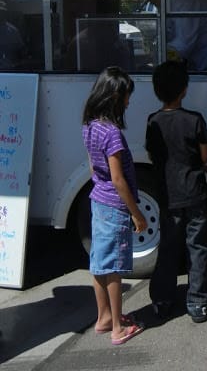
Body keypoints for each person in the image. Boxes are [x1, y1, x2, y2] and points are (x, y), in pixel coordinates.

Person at [82, 66, 147, 345]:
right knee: (115, 269)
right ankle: (118, 328)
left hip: (98, 200)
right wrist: (137, 214)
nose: (128, 102)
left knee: (99, 263)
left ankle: (104, 318)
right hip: (114, 206)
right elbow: (119, 179)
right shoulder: (112, 133)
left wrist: (100, 183)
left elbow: (91, 166)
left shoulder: (90, 126)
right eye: (126, 97)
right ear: (114, 97)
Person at [145, 60, 207, 323]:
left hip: (167, 195)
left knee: (168, 249)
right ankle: (198, 302)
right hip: (194, 192)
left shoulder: (153, 121)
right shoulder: (194, 120)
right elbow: (205, 156)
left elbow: (152, 155)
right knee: (198, 247)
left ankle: (162, 300)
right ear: (185, 89)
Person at [0, 1, 26, 69]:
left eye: (2, 11)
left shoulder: (12, 30)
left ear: (5, 13)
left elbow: (20, 50)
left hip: (8, 69)